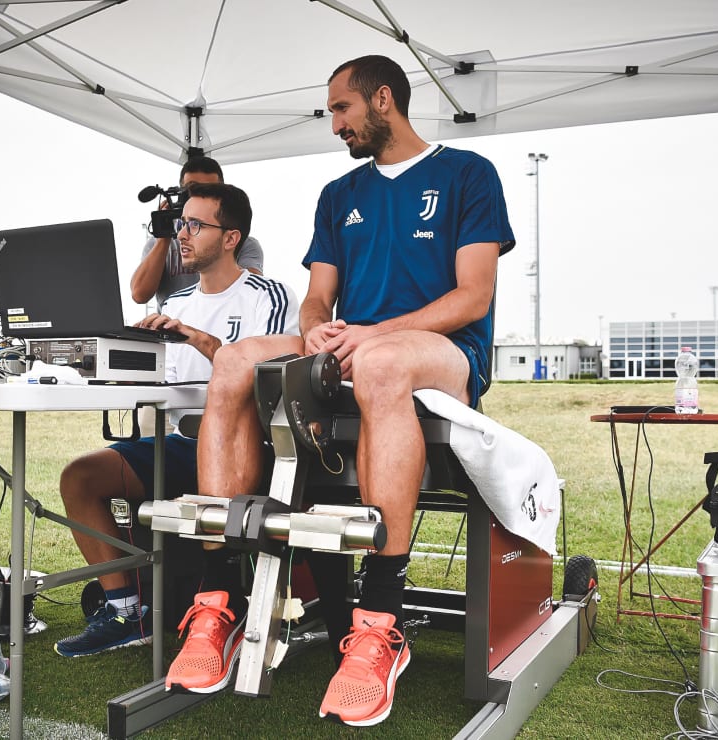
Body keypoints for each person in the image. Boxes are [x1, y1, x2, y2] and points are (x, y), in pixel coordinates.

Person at [164, 54, 514, 725]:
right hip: (353, 344)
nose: (334, 125)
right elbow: (318, 298)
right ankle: (218, 604)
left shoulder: (469, 174)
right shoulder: (338, 195)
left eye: (341, 109)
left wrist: (375, 336)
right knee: (236, 361)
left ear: (384, 100)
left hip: (441, 352)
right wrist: (320, 330)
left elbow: (474, 296)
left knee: (381, 364)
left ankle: (381, 620)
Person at [53, 182, 299, 658]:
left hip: (244, 446)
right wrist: (107, 361)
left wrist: (199, 339)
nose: (182, 234)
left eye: (195, 224)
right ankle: (127, 613)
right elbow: (156, 385)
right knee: (78, 477)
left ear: (231, 238)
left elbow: (271, 381)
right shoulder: (174, 303)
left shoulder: (268, 295)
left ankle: (221, 600)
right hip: (179, 445)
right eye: (179, 223)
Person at [130, 156, 265, 310]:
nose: (199, 196)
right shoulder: (157, 245)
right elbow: (139, 294)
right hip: (171, 327)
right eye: (191, 191)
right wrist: (164, 238)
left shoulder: (244, 244)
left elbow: (252, 293)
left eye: (209, 191)